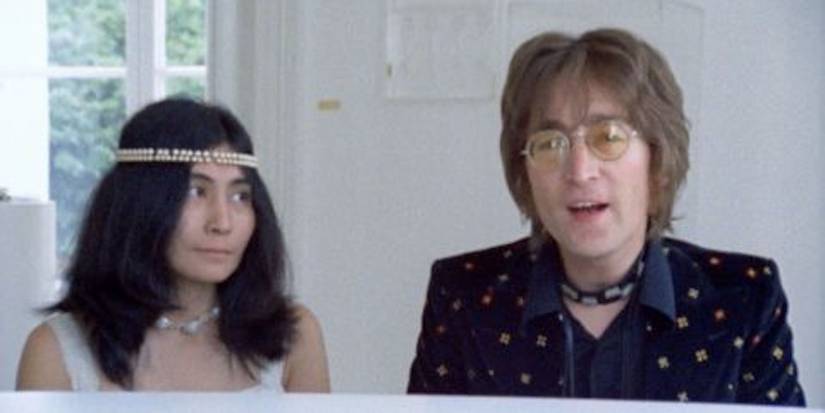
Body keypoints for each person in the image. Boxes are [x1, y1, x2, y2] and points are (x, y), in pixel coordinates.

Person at [407, 28, 804, 405]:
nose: (579, 170)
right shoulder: (464, 296)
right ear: (525, 172)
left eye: (609, 137)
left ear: (657, 163)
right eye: (550, 143)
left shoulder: (743, 299)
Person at [16, 98, 330, 392]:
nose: (222, 223)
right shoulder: (56, 350)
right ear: (138, 203)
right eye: (196, 191)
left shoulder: (294, 338)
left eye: (240, 196)